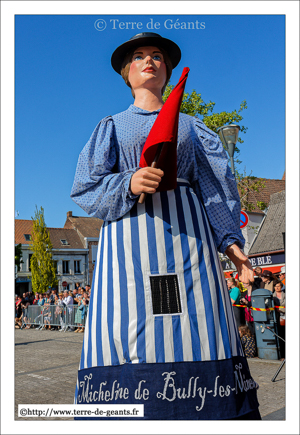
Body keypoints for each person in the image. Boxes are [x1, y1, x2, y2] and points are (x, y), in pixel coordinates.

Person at [70, 32, 260, 420]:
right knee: (130, 323)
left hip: (192, 245)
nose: (149, 61)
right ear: (127, 72)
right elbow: (85, 187)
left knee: (200, 328)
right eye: (139, 56)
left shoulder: (193, 128)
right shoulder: (112, 126)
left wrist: (234, 249)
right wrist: (128, 181)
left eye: (157, 56)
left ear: (168, 70)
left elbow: (215, 192)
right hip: (128, 249)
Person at [273, 281, 285, 359]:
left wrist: (279, 309)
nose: (277, 288)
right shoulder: (272, 296)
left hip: (286, 317)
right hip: (277, 318)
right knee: (280, 337)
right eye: (275, 286)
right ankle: (283, 355)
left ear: (281, 287)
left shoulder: (286, 295)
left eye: (278, 286)